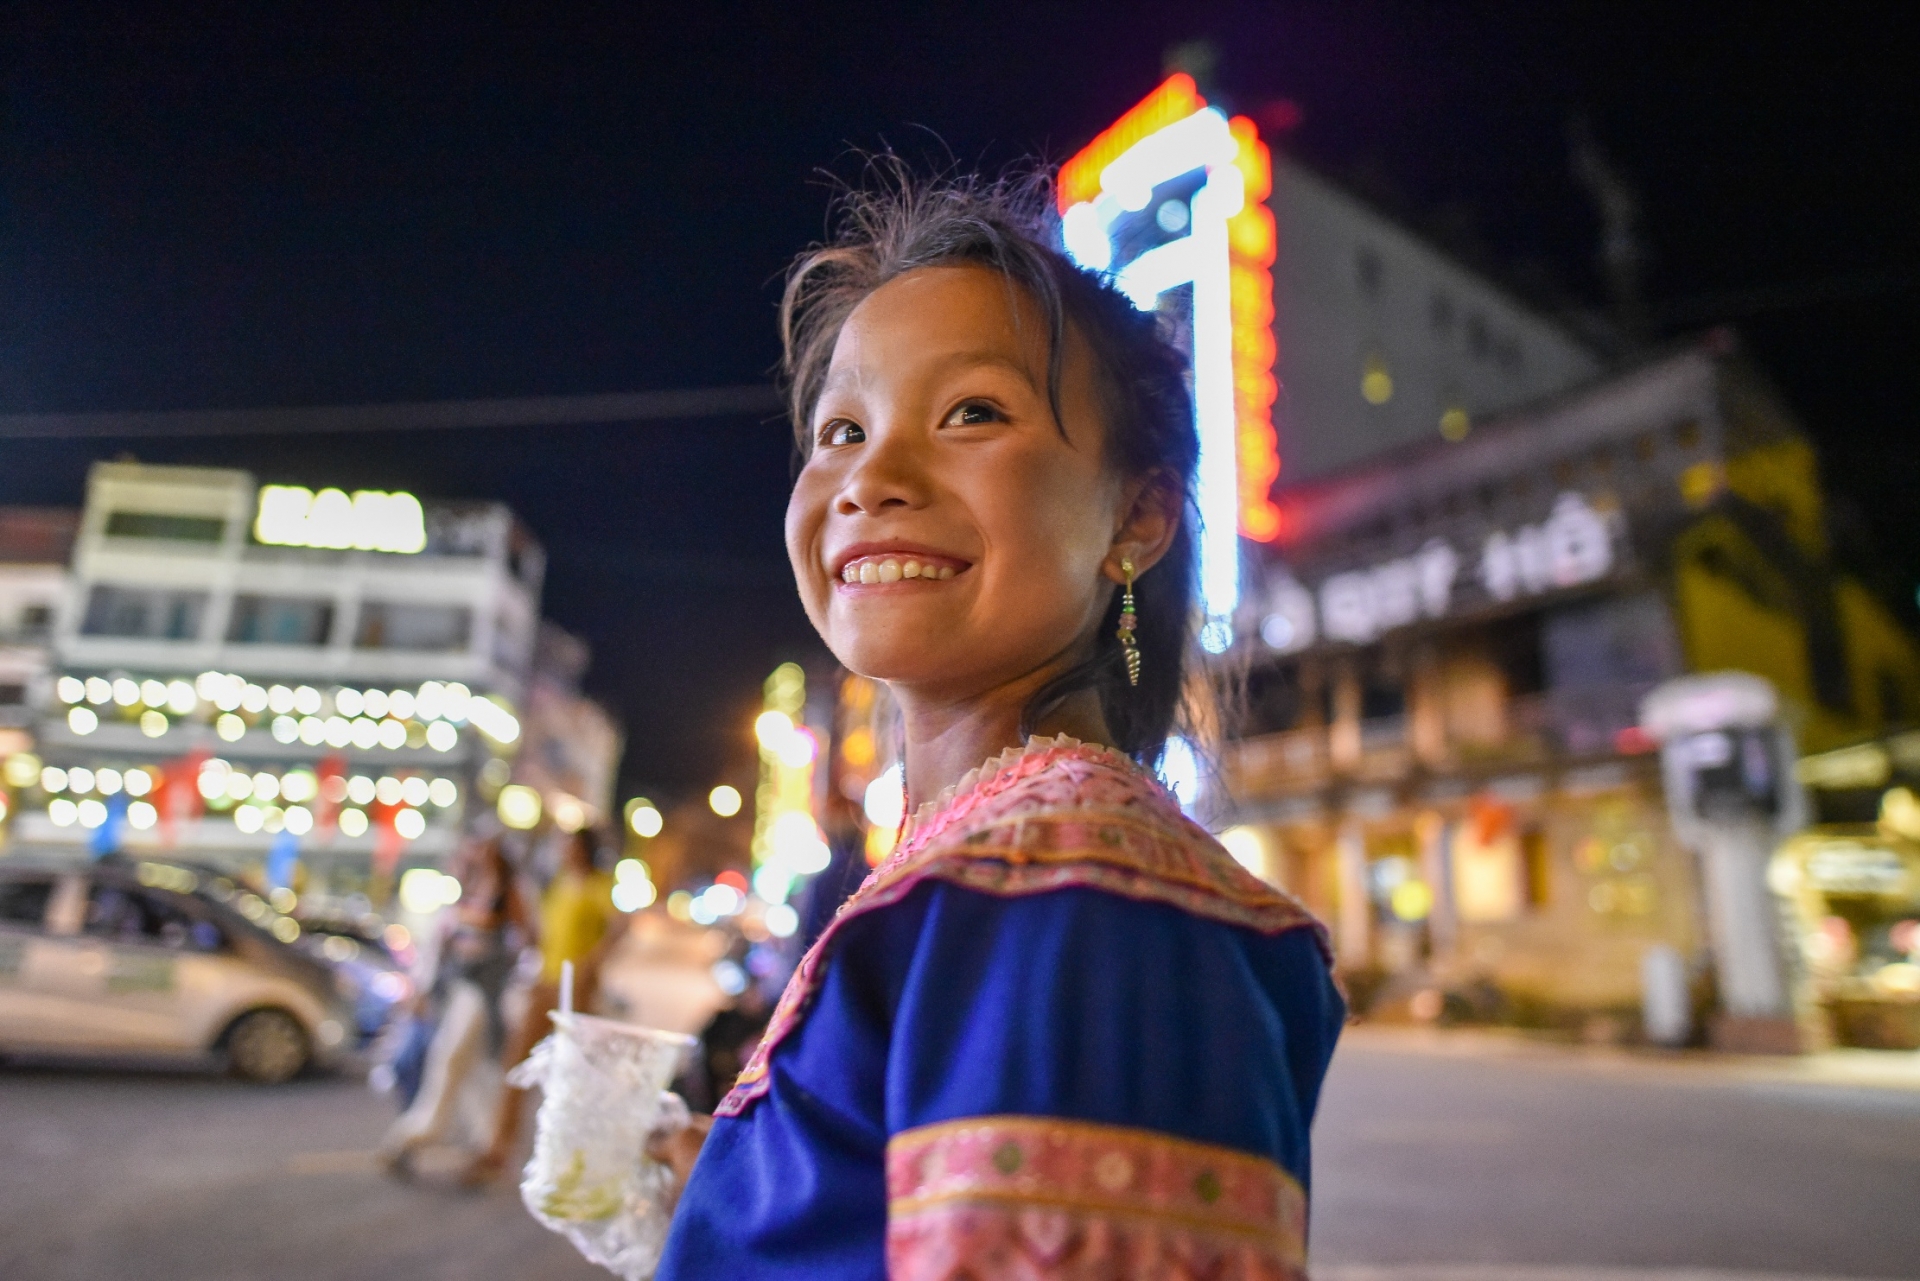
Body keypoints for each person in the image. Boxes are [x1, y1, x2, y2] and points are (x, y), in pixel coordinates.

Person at [645, 170, 1345, 1278]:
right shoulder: (980, 863)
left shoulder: (1068, 882)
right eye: (840, 428)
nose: (871, 475)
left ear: (1140, 515)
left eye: (973, 412)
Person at [466, 825, 627, 1184]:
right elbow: (543, 932)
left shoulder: (597, 886)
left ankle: (577, 1157)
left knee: (575, 1075)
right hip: (545, 984)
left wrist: (591, 964)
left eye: (571, 846)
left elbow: (620, 927)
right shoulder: (559, 884)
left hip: (575, 994)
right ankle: (498, 1147)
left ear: (585, 849)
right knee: (517, 1065)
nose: (565, 851)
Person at [378, 835, 532, 1179]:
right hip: (457, 990)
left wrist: (498, 960)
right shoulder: (464, 889)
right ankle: (484, 1145)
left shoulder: (508, 894)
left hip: (485, 995)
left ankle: (426, 1134)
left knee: (453, 1060)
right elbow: (441, 943)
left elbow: (527, 938)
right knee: (468, 1068)